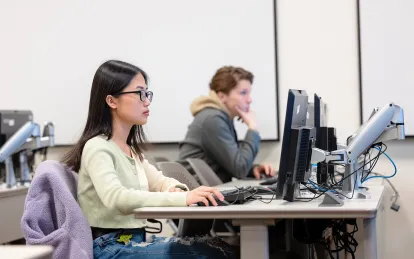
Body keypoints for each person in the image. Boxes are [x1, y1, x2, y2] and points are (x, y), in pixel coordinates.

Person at [62, 60, 234, 259]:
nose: (147, 101)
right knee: (211, 253)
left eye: (147, 93)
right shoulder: (97, 147)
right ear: (112, 101)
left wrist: (178, 189)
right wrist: (183, 198)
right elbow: (116, 198)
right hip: (108, 246)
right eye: (139, 93)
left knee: (220, 247)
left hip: (132, 241)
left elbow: (160, 182)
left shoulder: (130, 149)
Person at [178, 66, 276, 183]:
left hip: (208, 191)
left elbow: (230, 164)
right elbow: (239, 169)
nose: (249, 100)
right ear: (222, 96)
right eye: (243, 93)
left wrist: (253, 169)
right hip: (196, 194)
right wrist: (252, 128)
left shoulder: (219, 116)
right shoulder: (213, 119)